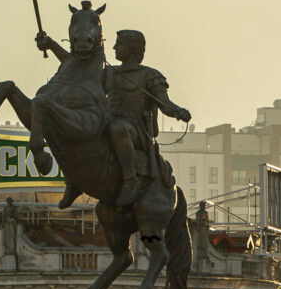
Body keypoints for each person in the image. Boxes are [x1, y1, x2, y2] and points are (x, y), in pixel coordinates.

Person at [37, 29, 191, 208]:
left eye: (119, 43)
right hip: (107, 120)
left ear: (132, 48)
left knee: (116, 128)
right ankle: (73, 182)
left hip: (135, 127)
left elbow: (165, 104)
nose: (114, 47)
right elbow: (77, 66)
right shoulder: (109, 72)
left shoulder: (149, 75)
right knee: (74, 128)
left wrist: (179, 112)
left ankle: (130, 179)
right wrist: (52, 44)